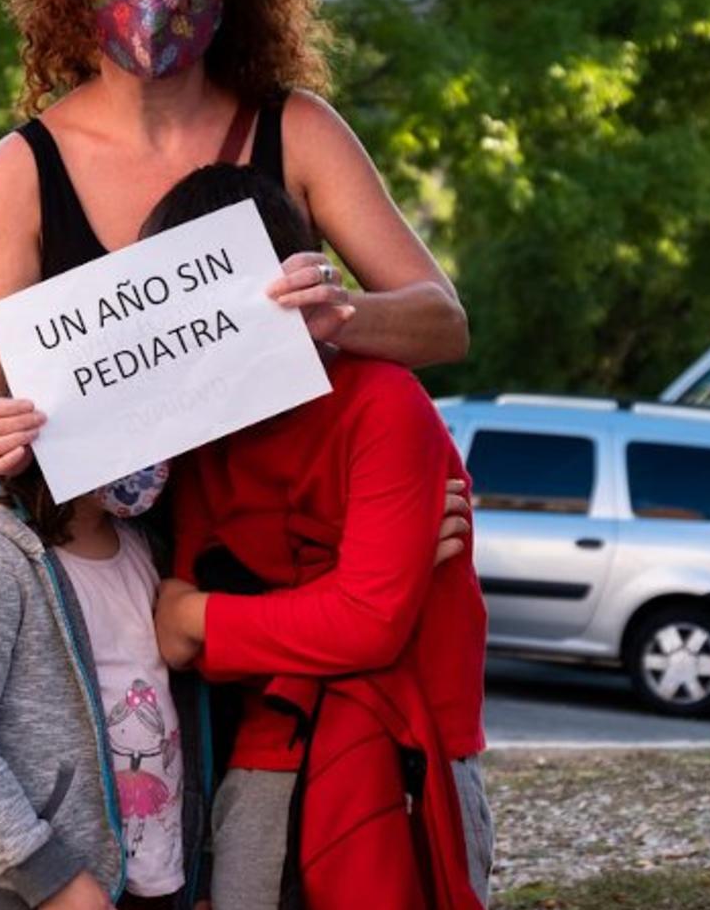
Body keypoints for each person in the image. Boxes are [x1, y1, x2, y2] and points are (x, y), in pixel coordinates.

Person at [0, 0, 469, 477]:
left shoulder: (297, 129)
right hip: (107, 527)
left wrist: (336, 313)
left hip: (283, 513)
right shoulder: (24, 166)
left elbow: (443, 323)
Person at [145, 166, 491, 909]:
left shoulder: (382, 402)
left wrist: (202, 616)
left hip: (409, 750)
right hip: (265, 751)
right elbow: (180, 644)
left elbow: (365, 624)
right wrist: (348, 580)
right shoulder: (204, 439)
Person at [0, 468, 211, 910]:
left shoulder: (147, 546)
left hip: (149, 878)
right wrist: (46, 873)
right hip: (18, 887)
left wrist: (194, 871)